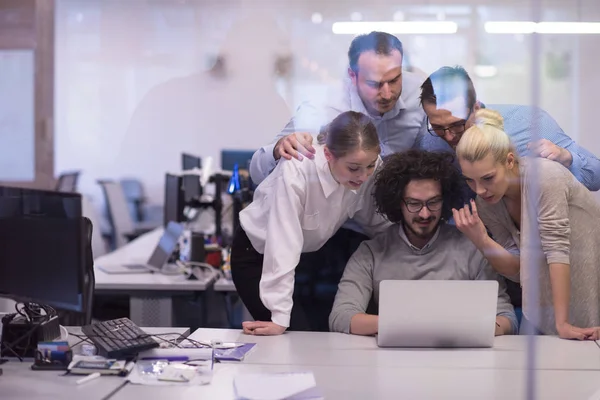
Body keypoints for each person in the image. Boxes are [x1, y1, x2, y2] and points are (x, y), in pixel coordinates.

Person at [231, 111, 392, 336]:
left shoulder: (365, 167)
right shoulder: (297, 168)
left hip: (306, 257)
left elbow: (377, 221)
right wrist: (278, 316)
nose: (363, 176)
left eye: (370, 166)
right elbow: (282, 244)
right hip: (258, 254)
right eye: (353, 168)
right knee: (293, 334)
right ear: (327, 154)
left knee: (320, 337)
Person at [329, 150, 517, 336]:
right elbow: (341, 317)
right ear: (398, 203)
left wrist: (468, 328)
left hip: (459, 359)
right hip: (393, 360)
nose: (425, 214)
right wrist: (410, 324)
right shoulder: (371, 253)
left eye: (433, 202)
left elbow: (506, 317)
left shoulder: (473, 249)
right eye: (414, 204)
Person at [453, 108, 600, 339]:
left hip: (588, 291)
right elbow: (519, 271)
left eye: (488, 178)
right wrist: (481, 239)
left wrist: (562, 324)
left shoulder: (544, 176)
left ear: (509, 161)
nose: (480, 190)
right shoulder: (488, 203)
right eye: (470, 181)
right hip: (548, 312)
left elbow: (557, 250)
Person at [249, 31, 427, 185]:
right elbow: (257, 171)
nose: (388, 94)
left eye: (394, 80)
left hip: (395, 214)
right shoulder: (322, 108)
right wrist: (277, 150)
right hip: (340, 219)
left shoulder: (419, 94)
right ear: (352, 76)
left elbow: (424, 158)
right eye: (375, 83)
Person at [419, 65, 600, 191]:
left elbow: (596, 177)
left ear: (476, 107)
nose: (449, 137)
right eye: (438, 127)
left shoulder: (529, 123)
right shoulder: (431, 142)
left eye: (457, 125)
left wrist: (566, 158)